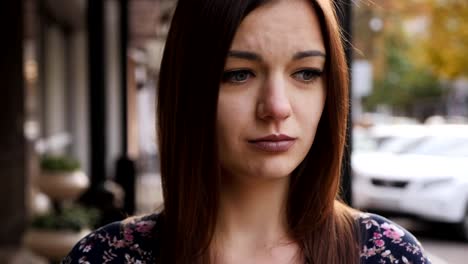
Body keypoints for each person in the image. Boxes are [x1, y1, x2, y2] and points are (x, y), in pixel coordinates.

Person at [62, 0, 432, 263]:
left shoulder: (386, 254)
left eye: (306, 73)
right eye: (239, 74)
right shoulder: (106, 256)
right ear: (188, 91)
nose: (276, 106)